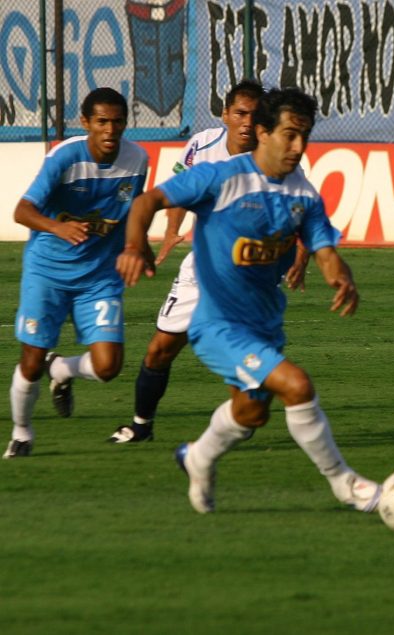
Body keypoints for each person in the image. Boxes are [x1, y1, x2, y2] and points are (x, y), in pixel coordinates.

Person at [116, 87, 381, 515]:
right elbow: (149, 200)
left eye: (305, 136)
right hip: (218, 323)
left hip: (264, 323)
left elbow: (325, 250)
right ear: (262, 132)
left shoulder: (304, 195)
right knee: (297, 385)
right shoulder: (221, 177)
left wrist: (340, 277)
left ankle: (197, 457)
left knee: (251, 413)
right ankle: (345, 484)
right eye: (289, 135)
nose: (298, 146)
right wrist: (133, 246)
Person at [109, 79, 266, 443]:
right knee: (160, 349)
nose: (246, 122)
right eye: (240, 113)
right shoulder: (201, 146)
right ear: (225, 114)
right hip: (202, 266)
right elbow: (179, 191)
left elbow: (298, 206)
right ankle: (141, 426)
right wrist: (171, 231)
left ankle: (241, 421)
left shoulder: (270, 156)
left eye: (255, 115)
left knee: (242, 355)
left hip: (249, 274)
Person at [4, 88, 149, 459]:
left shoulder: (137, 159)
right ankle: (21, 433)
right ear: (85, 123)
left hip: (99, 276)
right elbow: (22, 211)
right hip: (48, 272)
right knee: (31, 362)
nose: (109, 129)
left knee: (108, 367)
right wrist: (58, 227)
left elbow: (134, 211)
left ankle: (64, 369)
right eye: (101, 121)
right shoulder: (65, 157)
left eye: (117, 121)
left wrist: (139, 249)